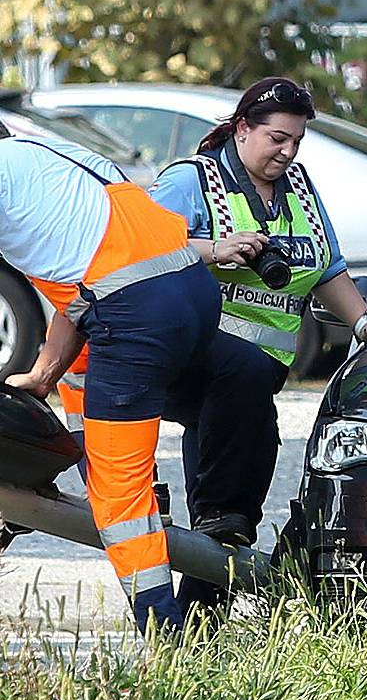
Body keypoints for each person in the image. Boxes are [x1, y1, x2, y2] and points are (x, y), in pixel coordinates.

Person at [0, 124, 259, 636]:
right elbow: (82, 292)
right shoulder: (53, 151)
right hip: (189, 292)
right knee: (80, 377)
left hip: (138, 316)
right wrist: (44, 373)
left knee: (122, 502)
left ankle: (172, 645)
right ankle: (116, 476)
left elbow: (107, 290)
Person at [151, 77, 367, 558]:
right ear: (241, 130)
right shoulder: (191, 181)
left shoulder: (299, 189)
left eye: (296, 141)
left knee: (256, 453)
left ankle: (208, 588)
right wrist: (215, 250)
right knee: (240, 389)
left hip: (257, 374)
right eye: (278, 138)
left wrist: (364, 324)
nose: (288, 152)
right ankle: (218, 514)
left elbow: (327, 268)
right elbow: (138, 247)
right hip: (189, 353)